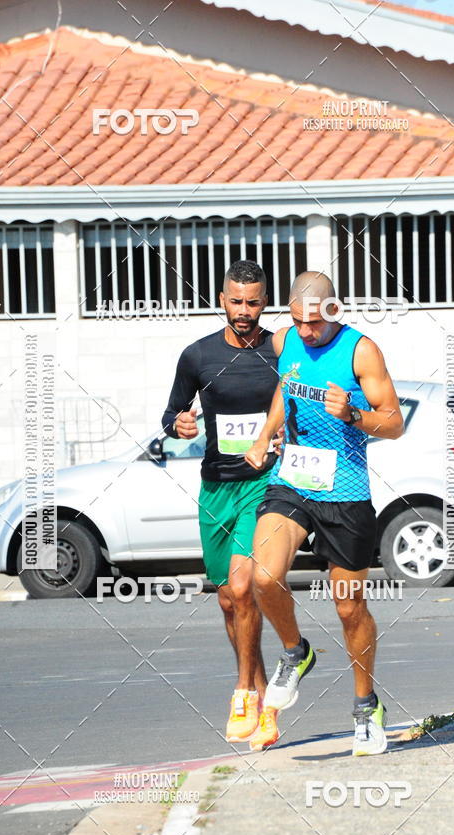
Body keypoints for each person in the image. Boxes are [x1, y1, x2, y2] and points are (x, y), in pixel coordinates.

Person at [245, 272, 404, 754]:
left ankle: (365, 707)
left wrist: (354, 415)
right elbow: (285, 387)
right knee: (263, 577)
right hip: (292, 480)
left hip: (346, 491)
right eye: (297, 322)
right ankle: (296, 652)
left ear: (333, 309)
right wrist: (263, 434)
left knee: (349, 606)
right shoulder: (285, 340)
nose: (305, 333)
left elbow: (395, 422)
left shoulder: (361, 351)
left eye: (313, 323)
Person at [162, 260, 285, 744]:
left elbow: (301, 400)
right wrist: (180, 424)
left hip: (264, 481)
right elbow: (172, 412)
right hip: (215, 486)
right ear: (221, 300)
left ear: (264, 302)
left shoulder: (280, 351)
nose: (244, 311)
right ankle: (262, 695)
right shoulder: (197, 356)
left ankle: (241, 692)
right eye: (236, 301)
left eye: (253, 302)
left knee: (243, 585)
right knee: (228, 601)